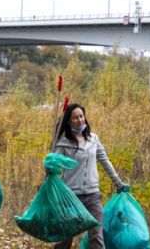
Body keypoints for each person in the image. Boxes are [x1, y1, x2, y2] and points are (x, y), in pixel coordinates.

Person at [52, 104, 128, 249]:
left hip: (93, 196)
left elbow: (105, 162)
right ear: (68, 121)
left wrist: (118, 183)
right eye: (75, 117)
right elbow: (53, 169)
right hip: (71, 197)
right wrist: (50, 164)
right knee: (65, 239)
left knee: (96, 237)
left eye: (81, 116)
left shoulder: (93, 139)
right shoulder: (63, 143)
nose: (80, 120)